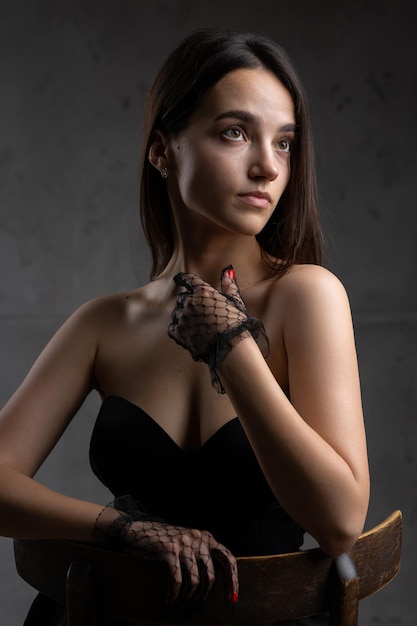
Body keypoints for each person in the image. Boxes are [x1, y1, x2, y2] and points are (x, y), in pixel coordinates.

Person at [0, 28, 370, 625]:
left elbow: (338, 524)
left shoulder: (307, 295)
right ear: (161, 150)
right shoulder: (105, 322)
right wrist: (122, 528)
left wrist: (232, 348)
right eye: (235, 132)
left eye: (284, 143)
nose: (266, 167)